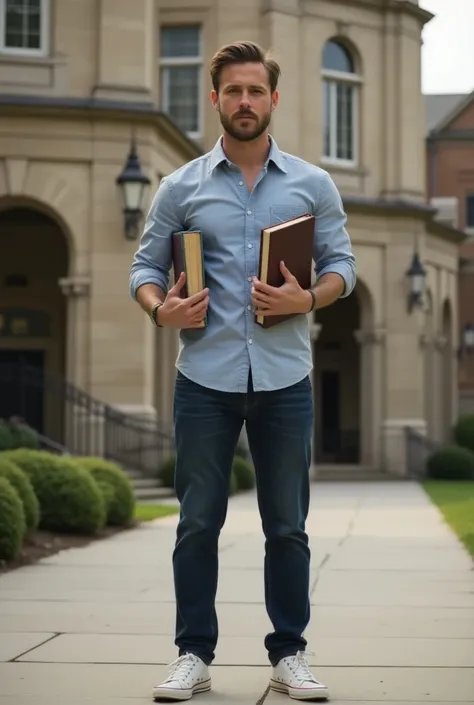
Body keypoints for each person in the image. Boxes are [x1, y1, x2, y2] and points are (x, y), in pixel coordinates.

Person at [129, 40, 356, 702]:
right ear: (217, 99)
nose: (246, 101)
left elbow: (343, 264)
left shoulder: (313, 184)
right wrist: (159, 309)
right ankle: (192, 654)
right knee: (199, 521)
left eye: (256, 91)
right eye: (234, 91)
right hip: (205, 379)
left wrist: (307, 298)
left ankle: (290, 653)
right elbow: (144, 268)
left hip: (286, 379)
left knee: (287, 525)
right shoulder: (181, 187)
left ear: (273, 99)